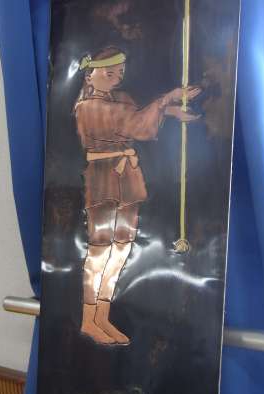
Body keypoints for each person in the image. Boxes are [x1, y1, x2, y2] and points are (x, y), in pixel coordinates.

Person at [75, 46, 200, 345]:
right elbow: (134, 124)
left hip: (127, 177)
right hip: (103, 178)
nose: (117, 78)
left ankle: (102, 316)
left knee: (121, 249)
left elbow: (136, 119)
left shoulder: (120, 100)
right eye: (109, 73)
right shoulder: (87, 107)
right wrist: (166, 99)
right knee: (100, 250)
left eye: (119, 73)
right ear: (90, 75)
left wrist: (168, 110)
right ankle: (88, 319)